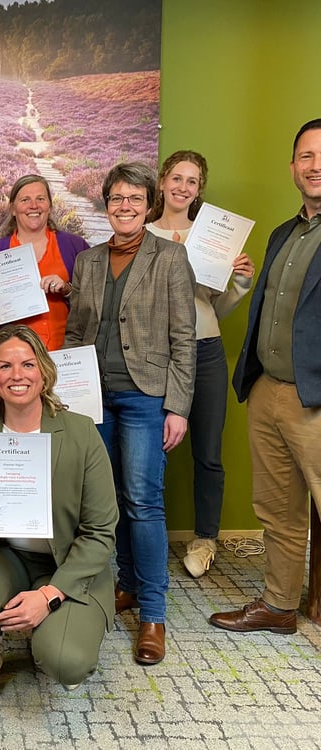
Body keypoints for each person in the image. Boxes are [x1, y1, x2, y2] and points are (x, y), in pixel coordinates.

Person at [0, 325, 117, 712]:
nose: (17, 375)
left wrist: (48, 596)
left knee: (66, 662)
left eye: (27, 364)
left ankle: (47, 632)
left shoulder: (80, 431)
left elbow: (101, 531)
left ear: (44, 372)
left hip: (69, 565)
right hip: (4, 556)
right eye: (5, 366)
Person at [65, 162, 196, 665]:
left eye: (134, 199)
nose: (125, 207)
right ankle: (123, 583)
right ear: (105, 203)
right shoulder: (90, 261)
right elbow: (77, 333)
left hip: (145, 397)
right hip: (93, 398)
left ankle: (153, 613)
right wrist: (70, 394)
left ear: (149, 205)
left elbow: (183, 338)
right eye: (116, 198)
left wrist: (177, 408)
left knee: (144, 500)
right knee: (108, 500)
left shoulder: (170, 259)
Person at [209, 119, 321, 636]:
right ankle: (279, 606)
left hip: (315, 401)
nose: (315, 165)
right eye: (305, 156)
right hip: (269, 391)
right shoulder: (283, 232)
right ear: (293, 167)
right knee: (277, 510)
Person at [146, 151, 254, 578]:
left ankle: (206, 538)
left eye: (192, 181)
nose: (183, 187)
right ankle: (144, 538)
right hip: (157, 356)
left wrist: (241, 283)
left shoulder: (214, 237)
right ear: (161, 182)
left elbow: (214, 308)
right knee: (150, 452)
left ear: (199, 189)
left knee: (208, 452)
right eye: (176, 178)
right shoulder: (141, 231)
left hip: (205, 350)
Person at [0, 174, 89, 350]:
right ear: (12, 208)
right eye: (25, 199)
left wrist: (67, 290)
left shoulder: (75, 246)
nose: (33, 205)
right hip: (13, 360)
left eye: (40, 199)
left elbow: (95, 302)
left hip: (65, 354)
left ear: (49, 205)